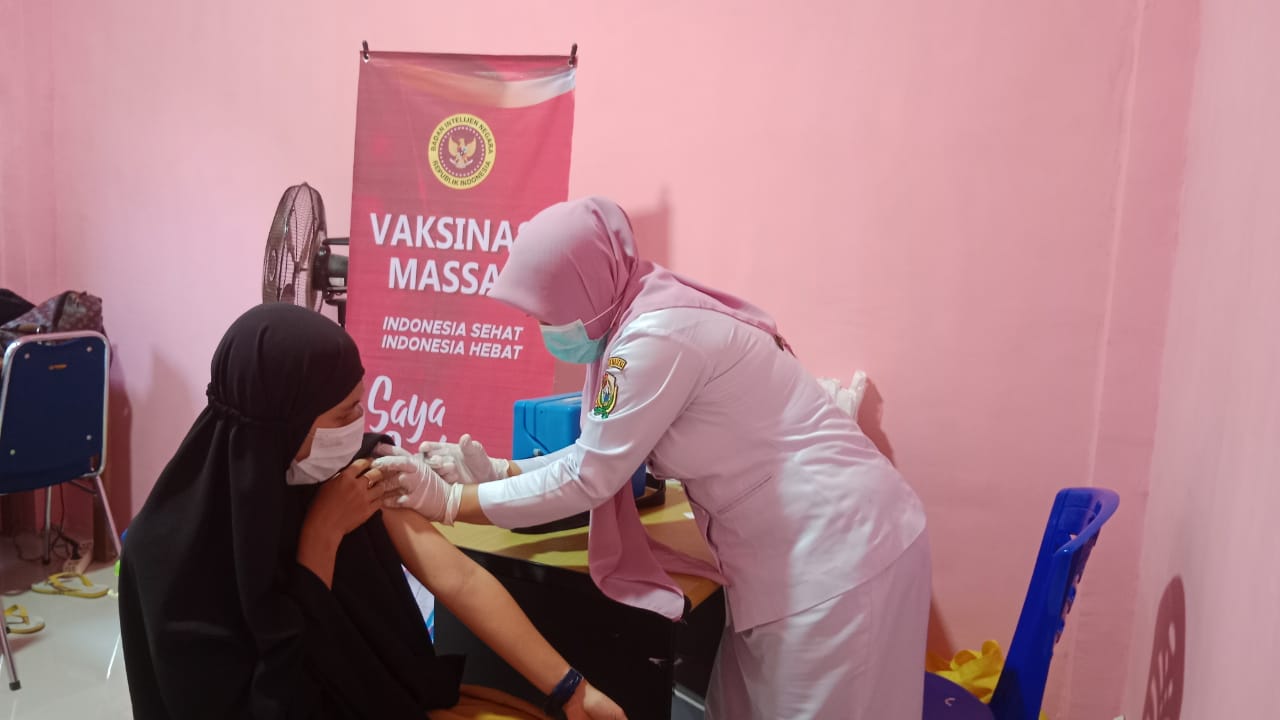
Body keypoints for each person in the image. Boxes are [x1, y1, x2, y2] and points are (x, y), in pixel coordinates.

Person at [373, 197, 932, 719]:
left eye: (546, 313)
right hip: (791, 552)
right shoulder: (639, 315)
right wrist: (504, 471)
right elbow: (600, 451)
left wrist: (451, 501)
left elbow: (589, 475)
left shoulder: (656, 336)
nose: (540, 328)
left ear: (585, 288)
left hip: (839, 551)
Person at [117, 303, 625, 720]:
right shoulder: (170, 557)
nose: (359, 426)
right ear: (283, 425)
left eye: (359, 405)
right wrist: (320, 543)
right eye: (344, 414)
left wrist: (571, 688)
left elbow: (459, 579)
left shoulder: (350, 475)